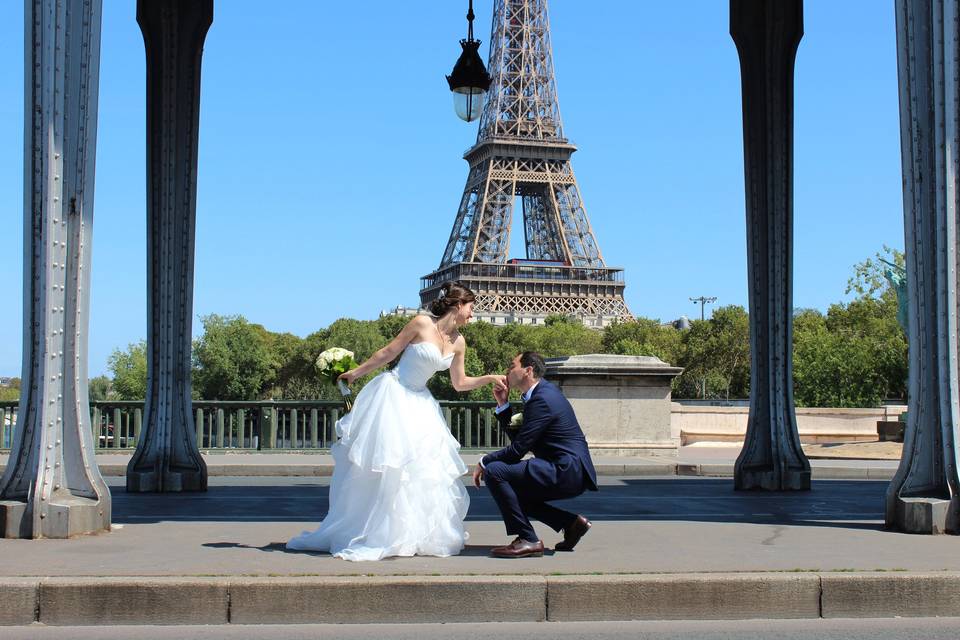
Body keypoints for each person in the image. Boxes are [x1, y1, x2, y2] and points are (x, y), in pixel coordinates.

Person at [287, 282, 506, 561]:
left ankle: (408, 534)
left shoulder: (459, 342)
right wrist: (356, 373)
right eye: (471, 307)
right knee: (389, 471)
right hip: (394, 396)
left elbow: (459, 383)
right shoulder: (420, 324)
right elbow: (388, 352)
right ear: (457, 305)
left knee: (418, 475)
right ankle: (381, 533)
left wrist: (488, 378)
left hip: (421, 405)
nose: (473, 315)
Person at [473, 351, 598, 558]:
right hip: (567, 469)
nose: (507, 371)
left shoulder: (542, 399)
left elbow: (517, 450)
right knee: (512, 491)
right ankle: (571, 524)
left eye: (512, 366)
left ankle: (528, 539)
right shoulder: (541, 394)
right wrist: (503, 405)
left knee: (495, 471)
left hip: (565, 469)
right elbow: (521, 442)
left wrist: (484, 461)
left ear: (528, 370)